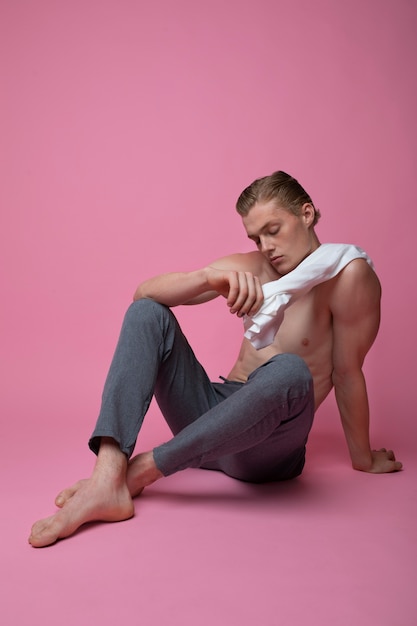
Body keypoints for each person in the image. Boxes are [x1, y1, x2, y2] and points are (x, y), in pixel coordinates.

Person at [29, 170, 402, 547]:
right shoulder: (254, 266)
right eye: (256, 237)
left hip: (266, 449)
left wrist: (363, 458)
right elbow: (144, 293)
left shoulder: (348, 276)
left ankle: (141, 470)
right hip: (208, 419)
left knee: (291, 369)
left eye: (273, 229)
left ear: (306, 214)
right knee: (146, 314)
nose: (266, 245)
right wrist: (209, 278)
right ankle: (107, 477)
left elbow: (347, 371)